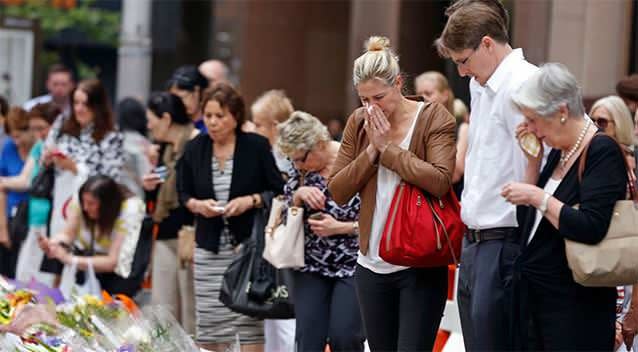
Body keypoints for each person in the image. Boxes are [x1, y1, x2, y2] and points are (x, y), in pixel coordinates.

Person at [328, 36, 456, 351]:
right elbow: (338, 190)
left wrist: (389, 149)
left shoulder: (433, 117)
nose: (371, 107)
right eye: (364, 99)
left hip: (420, 262)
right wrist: (372, 149)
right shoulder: (359, 123)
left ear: (398, 82)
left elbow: (440, 181)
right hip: (371, 262)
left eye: (379, 97)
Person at [500, 62, 627, 350]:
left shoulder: (601, 150)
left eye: (533, 119)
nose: (530, 128)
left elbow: (590, 226)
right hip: (537, 303)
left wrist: (537, 197)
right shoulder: (561, 152)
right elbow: (528, 226)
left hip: (575, 310)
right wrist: (532, 164)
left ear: (560, 112)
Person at [434, 0, 539, 349]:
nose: (461, 72)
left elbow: (544, 162)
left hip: (505, 239)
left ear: (488, 44)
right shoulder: (484, 84)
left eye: (463, 61)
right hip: (476, 241)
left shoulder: (524, 83)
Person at [177, 82, 284, 351]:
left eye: (220, 116)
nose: (212, 122)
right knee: (211, 328)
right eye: (208, 115)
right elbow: (183, 192)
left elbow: (278, 190)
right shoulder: (195, 148)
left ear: (235, 116)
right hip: (208, 249)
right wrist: (198, 205)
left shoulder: (256, 146)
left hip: (248, 250)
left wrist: (251, 200)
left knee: (248, 323)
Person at [278, 111, 364, 352]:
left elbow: (380, 218)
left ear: (319, 144)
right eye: (292, 160)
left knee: (345, 337)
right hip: (310, 266)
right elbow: (283, 217)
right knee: (308, 340)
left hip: (353, 264)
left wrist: (341, 228)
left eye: (301, 159)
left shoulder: (355, 159)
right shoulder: (301, 171)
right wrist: (297, 197)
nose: (296, 165)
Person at [43, 79, 124, 246]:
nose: (79, 109)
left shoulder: (111, 135)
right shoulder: (62, 126)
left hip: (90, 206)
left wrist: (74, 167)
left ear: (97, 106)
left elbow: (110, 179)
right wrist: (49, 158)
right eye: (76, 103)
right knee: (56, 252)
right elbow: (45, 155)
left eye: (85, 104)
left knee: (79, 257)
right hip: (59, 198)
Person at [142, 92, 196, 335]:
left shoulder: (195, 144)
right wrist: (150, 188)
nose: (148, 125)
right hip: (165, 232)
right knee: (162, 309)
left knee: (190, 311)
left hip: (189, 236)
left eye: (151, 119)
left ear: (165, 118)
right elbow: (159, 196)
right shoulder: (163, 149)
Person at [38, 175, 146, 296]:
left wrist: (70, 259)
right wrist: (54, 243)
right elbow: (68, 234)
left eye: (91, 203)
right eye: (84, 202)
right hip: (86, 263)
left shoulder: (130, 209)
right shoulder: (80, 201)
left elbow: (113, 262)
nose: (85, 207)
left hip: (117, 275)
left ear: (107, 205)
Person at [589, 95, 638, 351]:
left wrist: (625, 318)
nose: (596, 127)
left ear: (619, 125)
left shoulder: (628, 169)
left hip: (622, 267)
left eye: (603, 122)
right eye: (592, 120)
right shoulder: (594, 162)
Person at [250, 89, 296, 351]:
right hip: (269, 239)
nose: (255, 130)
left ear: (276, 126)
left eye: (259, 125)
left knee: (285, 309)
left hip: (287, 241)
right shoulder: (266, 154)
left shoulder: (290, 158)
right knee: (270, 311)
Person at [0, 103, 59, 284]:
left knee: (43, 277)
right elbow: (26, 179)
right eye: (35, 129)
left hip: (51, 218)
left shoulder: (56, 145)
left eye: (41, 128)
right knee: (24, 275)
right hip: (27, 217)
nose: (38, 134)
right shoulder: (38, 147)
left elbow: (26, 181)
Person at [415, 71, 469, 199]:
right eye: (419, 94)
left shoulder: (462, 127)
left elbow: (455, 173)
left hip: (452, 198)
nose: (423, 98)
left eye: (428, 93)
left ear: (445, 95)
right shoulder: (417, 128)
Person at [0, 107, 36, 278]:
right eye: (12, 137)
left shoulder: (38, 148)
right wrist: (2, 228)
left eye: (19, 136)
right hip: (11, 216)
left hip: (33, 217)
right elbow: (2, 190)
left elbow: (25, 182)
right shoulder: (8, 148)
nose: (16, 141)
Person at [117, 97, 152, 198]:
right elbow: (147, 176)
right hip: (136, 198)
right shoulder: (144, 143)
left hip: (114, 198)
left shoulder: (114, 140)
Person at [166, 65, 209, 133]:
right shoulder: (169, 127)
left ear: (198, 92)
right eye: (173, 98)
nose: (176, 103)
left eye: (181, 97)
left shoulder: (210, 128)